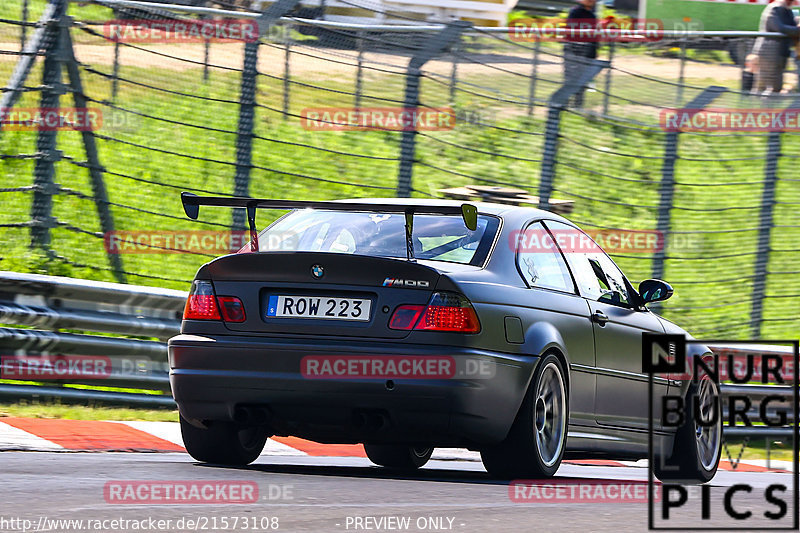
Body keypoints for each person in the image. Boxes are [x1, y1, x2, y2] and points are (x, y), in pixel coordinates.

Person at [752, 0, 800, 95]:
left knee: (771, 88)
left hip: (779, 53)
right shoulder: (775, 9)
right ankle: (758, 108)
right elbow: (779, 28)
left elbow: (793, 27)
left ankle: (756, 108)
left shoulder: (787, 10)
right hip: (769, 53)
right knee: (770, 88)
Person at [563, 0, 599, 108]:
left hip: (587, 51)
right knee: (570, 78)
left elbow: (594, 36)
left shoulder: (592, 15)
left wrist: (594, 51)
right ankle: (564, 102)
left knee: (582, 79)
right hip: (573, 50)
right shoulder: (575, 12)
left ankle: (577, 105)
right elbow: (571, 30)